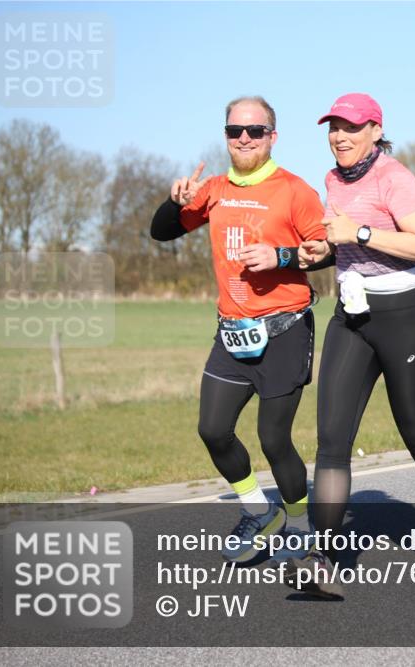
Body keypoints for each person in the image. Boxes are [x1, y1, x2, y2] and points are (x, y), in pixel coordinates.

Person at [283, 93, 415, 600]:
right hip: (352, 315)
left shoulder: (395, 177)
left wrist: (359, 231)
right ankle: (321, 558)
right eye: (333, 127)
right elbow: (345, 244)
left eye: (350, 127)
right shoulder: (332, 179)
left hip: (408, 318)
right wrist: (322, 250)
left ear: (374, 131)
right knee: (332, 440)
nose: (339, 136)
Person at [150, 96, 326, 562]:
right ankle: (259, 511)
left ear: (273, 136)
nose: (244, 138)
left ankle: (300, 524)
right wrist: (173, 203)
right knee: (213, 430)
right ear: (226, 136)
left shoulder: (295, 191)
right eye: (234, 131)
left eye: (255, 130)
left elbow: (327, 250)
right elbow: (162, 232)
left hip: (285, 330)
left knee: (274, 439)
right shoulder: (214, 189)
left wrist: (280, 256)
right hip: (232, 331)